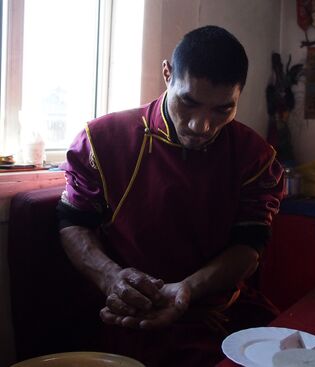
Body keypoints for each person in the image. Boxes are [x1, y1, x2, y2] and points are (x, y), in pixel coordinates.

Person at [56, 25, 284, 366]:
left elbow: (250, 245)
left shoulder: (254, 156)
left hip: (218, 310)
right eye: (188, 102)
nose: (200, 126)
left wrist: (188, 288)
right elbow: (74, 223)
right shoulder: (103, 140)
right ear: (167, 74)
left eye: (223, 109)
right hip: (130, 310)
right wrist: (111, 278)